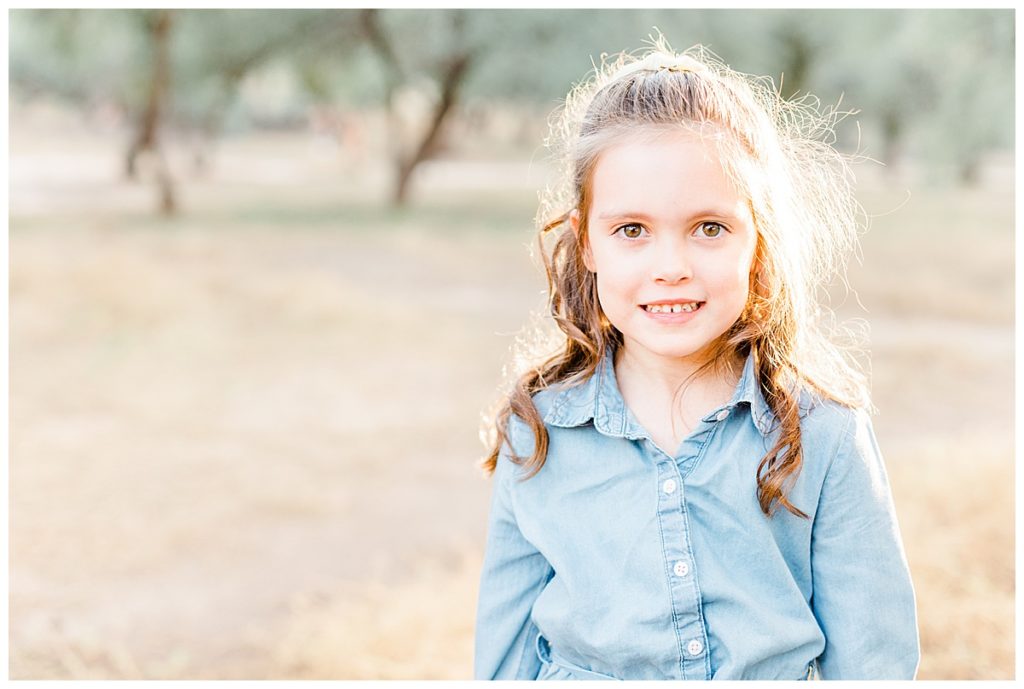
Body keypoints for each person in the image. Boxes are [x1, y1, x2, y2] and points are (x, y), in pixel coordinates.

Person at [473, 39, 920, 681]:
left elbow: (875, 660)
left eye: (709, 228)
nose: (672, 268)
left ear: (757, 239)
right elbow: (505, 658)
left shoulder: (823, 430)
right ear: (586, 242)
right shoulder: (536, 432)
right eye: (632, 230)